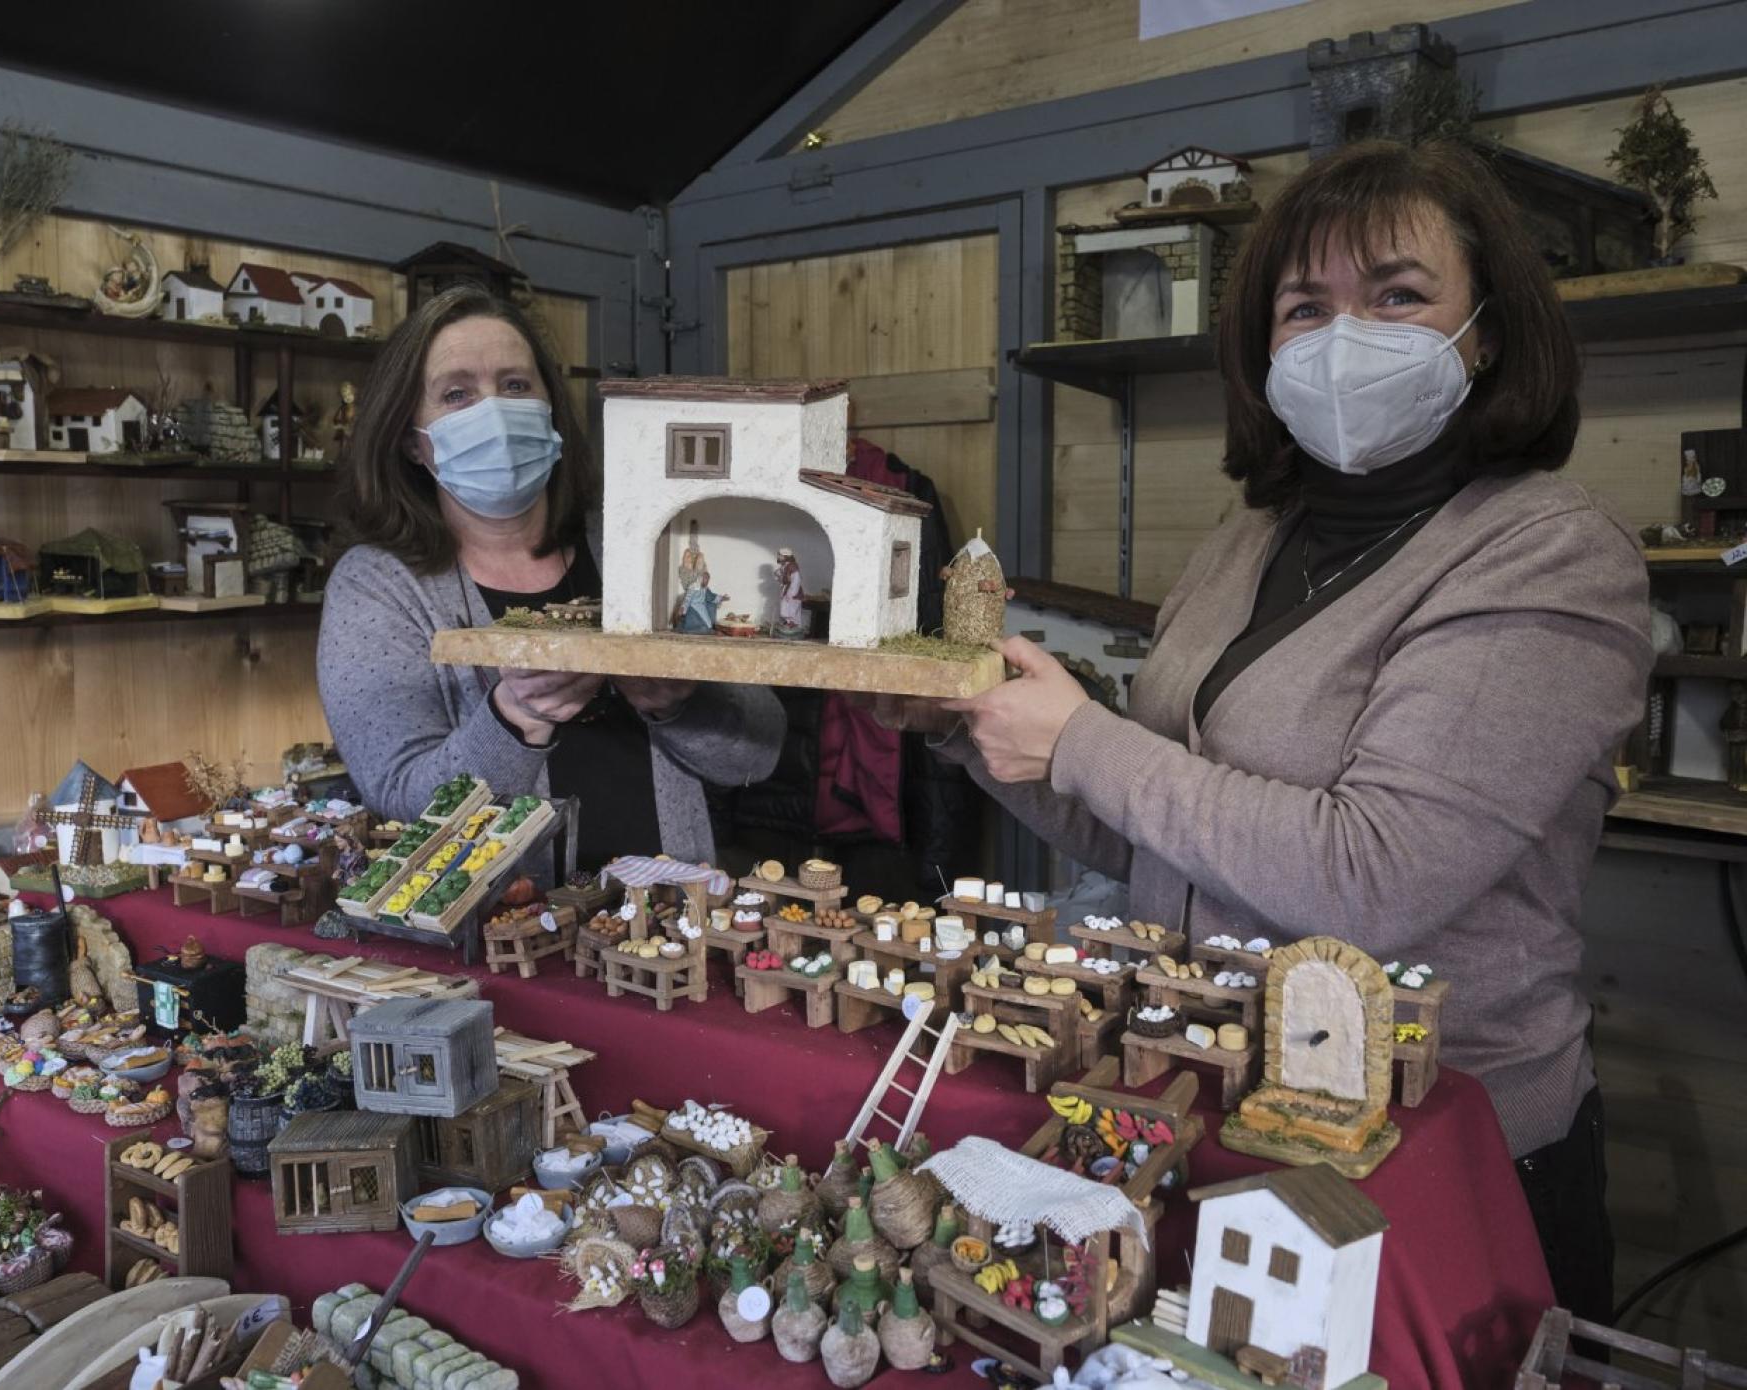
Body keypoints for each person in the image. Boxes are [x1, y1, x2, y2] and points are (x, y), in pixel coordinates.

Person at [889, 140, 1649, 1323]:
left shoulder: (1550, 552)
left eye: (1398, 294)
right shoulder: (1250, 537)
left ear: (1487, 328)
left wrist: (1083, 735)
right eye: (1308, 307)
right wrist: (973, 723)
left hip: (1436, 1147)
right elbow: (1153, 831)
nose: (1348, 334)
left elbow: (1373, 875)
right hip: (1207, 1098)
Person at [319, 285, 784, 871]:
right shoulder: (378, 586)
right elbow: (401, 803)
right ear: (413, 441)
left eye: (515, 386)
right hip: (498, 934)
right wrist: (516, 719)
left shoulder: (639, 545)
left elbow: (759, 752)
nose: (493, 412)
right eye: (456, 394)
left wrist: (680, 706)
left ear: (551, 409)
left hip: (670, 913)